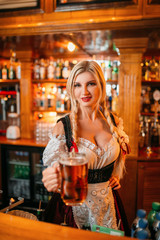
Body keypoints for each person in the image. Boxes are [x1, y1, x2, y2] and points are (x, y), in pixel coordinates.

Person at [42, 60, 130, 231]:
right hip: (74, 208)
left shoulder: (113, 121)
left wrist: (115, 176)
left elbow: (119, 154)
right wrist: (55, 178)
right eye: (77, 85)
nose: (84, 91)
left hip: (108, 205)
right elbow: (54, 169)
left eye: (91, 84)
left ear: (101, 86)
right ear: (71, 89)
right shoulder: (63, 126)